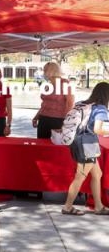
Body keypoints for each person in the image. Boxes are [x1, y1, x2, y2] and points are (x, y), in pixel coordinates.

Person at [62, 82, 109, 216]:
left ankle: (99, 206)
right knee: (80, 176)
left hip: (79, 140)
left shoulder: (83, 103)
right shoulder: (100, 109)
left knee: (97, 174)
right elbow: (97, 129)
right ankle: (67, 207)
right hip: (87, 143)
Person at [33, 62, 74, 139]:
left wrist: (65, 123)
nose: (43, 72)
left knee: (55, 147)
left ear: (52, 71)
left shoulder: (65, 84)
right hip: (43, 119)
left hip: (58, 120)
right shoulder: (48, 85)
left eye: (45, 70)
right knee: (42, 145)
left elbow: (70, 104)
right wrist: (36, 117)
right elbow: (45, 104)